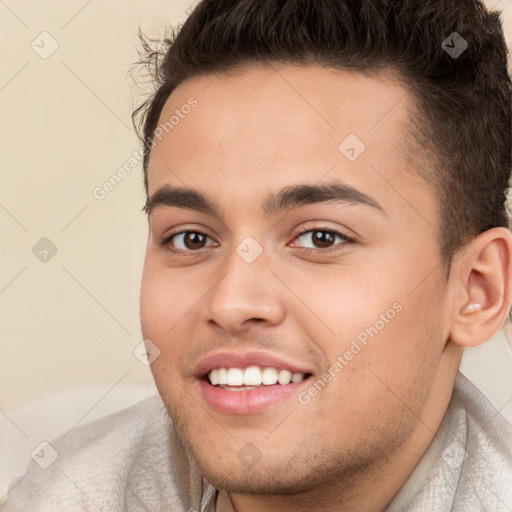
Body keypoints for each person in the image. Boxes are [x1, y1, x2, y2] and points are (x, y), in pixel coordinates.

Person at [3, 0, 512, 510]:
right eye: (191, 238)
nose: (231, 302)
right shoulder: (60, 493)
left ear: (477, 290)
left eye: (321, 238)